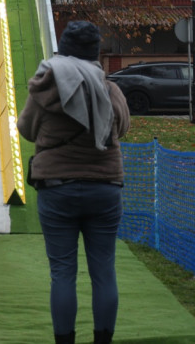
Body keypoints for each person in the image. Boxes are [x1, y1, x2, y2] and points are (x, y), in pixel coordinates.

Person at [17, 21, 130, 344]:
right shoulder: (109, 89)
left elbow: (26, 129)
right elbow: (122, 128)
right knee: (104, 272)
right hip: (105, 187)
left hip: (57, 188)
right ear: (95, 52)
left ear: (64, 49)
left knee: (62, 273)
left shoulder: (45, 87)